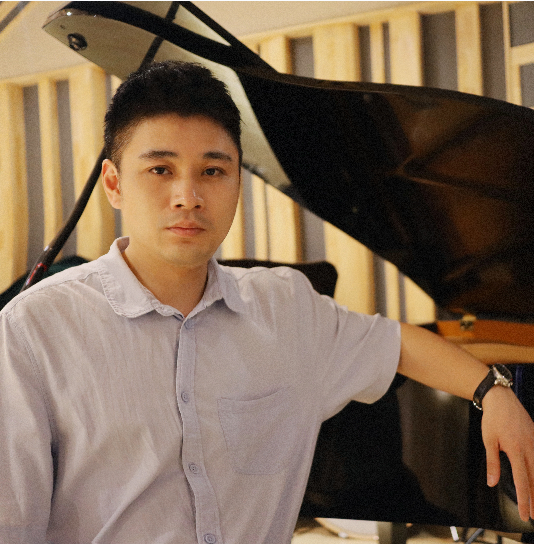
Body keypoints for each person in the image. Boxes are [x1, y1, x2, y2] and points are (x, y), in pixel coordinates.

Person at [0, 60, 533, 544]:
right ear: (114, 184)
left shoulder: (286, 308)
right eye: (160, 170)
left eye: (213, 171)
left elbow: (396, 345)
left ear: (237, 181)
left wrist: (494, 392)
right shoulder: (34, 329)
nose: (188, 196)